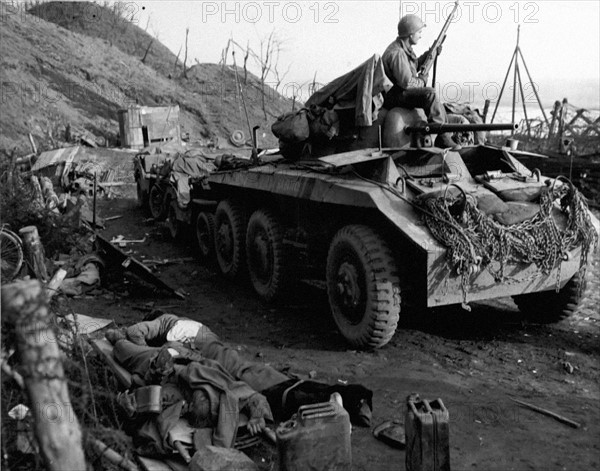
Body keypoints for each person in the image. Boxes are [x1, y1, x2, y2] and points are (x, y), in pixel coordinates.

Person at [382, 14, 459, 149]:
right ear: (410, 35)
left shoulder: (403, 49)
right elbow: (408, 84)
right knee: (430, 94)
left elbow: (413, 66)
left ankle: (443, 132)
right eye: (419, 32)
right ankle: (441, 136)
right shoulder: (397, 53)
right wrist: (422, 81)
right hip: (394, 95)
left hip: (399, 91)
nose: (420, 35)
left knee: (435, 100)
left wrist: (431, 54)